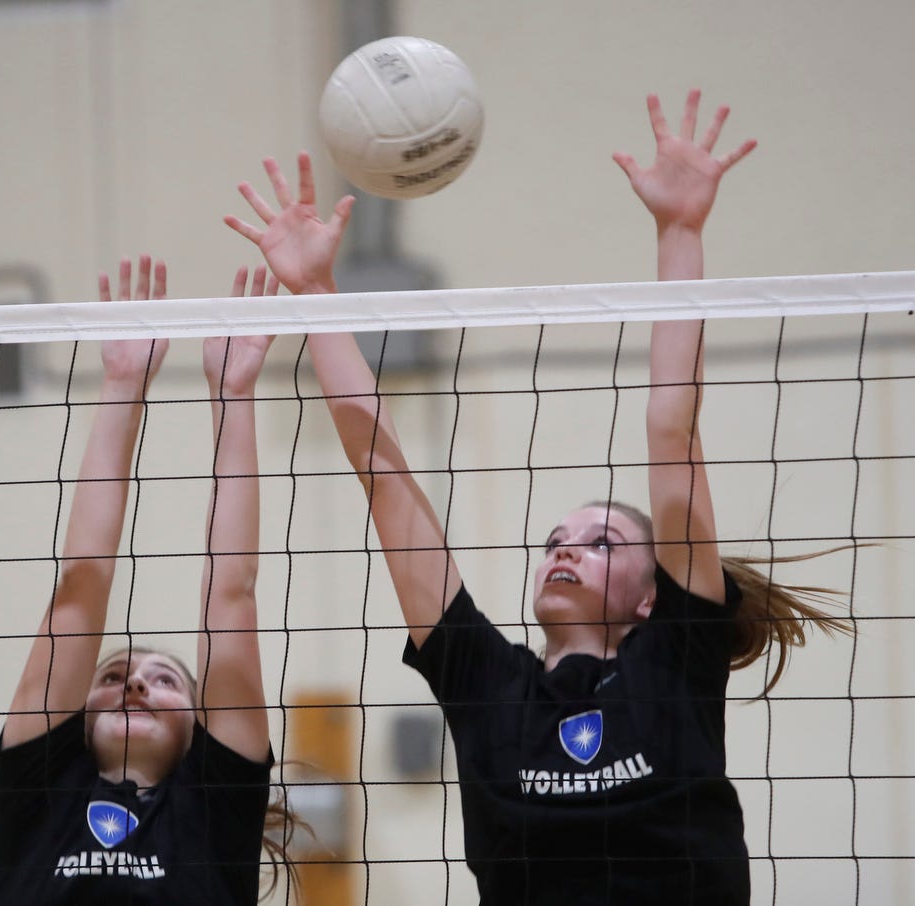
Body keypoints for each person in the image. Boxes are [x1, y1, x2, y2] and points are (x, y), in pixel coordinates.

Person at [225, 92, 852, 905]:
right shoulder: (488, 681)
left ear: (653, 596)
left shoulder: (676, 657)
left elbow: (672, 428)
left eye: (601, 543)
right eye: (558, 538)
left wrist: (680, 232)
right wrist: (315, 291)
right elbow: (381, 470)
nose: (565, 549)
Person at [0, 257, 290, 904]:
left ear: (198, 728)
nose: (137, 685)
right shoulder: (38, 791)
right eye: (113, 677)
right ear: (76, 718)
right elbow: (79, 588)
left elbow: (231, 597)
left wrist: (233, 393)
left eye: (166, 681)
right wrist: (122, 383)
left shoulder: (215, 811)